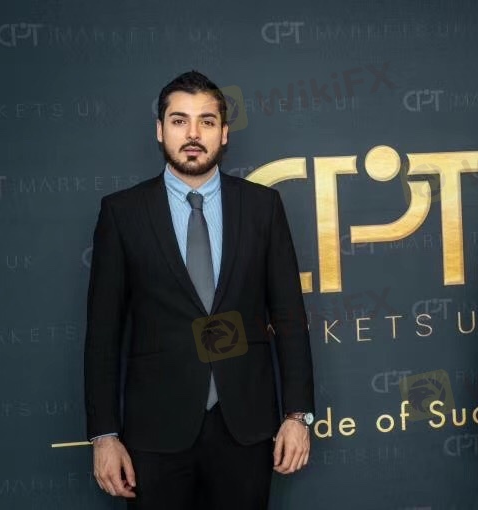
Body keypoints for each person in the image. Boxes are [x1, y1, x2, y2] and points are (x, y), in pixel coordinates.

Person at [84, 70, 315, 509]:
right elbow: (103, 334)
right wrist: (104, 435)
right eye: (179, 120)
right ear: (160, 130)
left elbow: (289, 317)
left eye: (206, 121)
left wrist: (297, 415)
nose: (193, 134)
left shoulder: (262, 206)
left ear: (224, 133)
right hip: (155, 432)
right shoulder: (122, 213)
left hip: (246, 427)